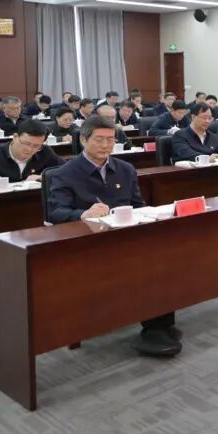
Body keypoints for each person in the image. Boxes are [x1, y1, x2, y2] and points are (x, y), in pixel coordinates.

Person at [46, 116, 182, 357]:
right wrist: (82, 214)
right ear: (83, 140)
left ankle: (161, 322)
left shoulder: (125, 169)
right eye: (99, 140)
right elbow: (55, 213)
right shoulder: (64, 173)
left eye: (110, 140)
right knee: (143, 265)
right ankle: (155, 328)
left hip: (124, 236)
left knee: (163, 254)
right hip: (87, 242)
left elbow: (137, 204)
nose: (106, 145)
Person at [0, 120, 62, 296]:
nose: (30, 150)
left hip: (29, 207)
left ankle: (33, 272)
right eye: (26, 143)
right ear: (15, 137)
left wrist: (45, 176)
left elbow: (65, 171)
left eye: (36, 146)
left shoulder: (44, 152)